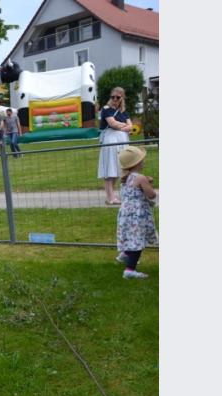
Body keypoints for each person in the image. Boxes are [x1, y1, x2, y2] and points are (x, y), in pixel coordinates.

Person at [116, 146, 158, 279]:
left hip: (126, 214)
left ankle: (126, 254)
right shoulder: (140, 178)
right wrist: (149, 184)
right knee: (137, 241)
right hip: (138, 215)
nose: (143, 162)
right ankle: (130, 270)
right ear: (137, 163)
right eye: (142, 160)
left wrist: (146, 181)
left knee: (131, 235)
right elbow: (151, 195)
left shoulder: (125, 178)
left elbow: (133, 189)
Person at [99, 86, 133, 205]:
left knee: (118, 169)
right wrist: (125, 126)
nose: (114, 99)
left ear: (121, 98)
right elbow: (112, 124)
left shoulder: (124, 112)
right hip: (111, 141)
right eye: (112, 97)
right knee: (110, 169)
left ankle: (112, 196)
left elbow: (131, 127)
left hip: (122, 142)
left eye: (117, 97)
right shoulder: (106, 109)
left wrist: (123, 126)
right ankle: (110, 197)